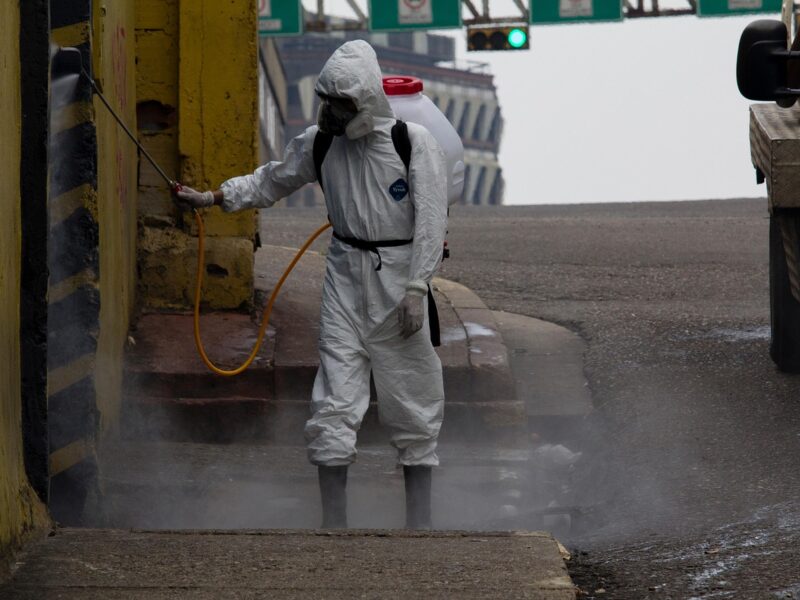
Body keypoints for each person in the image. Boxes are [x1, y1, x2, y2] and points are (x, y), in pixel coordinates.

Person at [175, 40, 447, 530]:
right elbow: (271, 180)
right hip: (344, 279)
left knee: (413, 398)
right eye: (328, 101)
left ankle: (420, 526)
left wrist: (417, 287)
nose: (331, 112)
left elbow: (431, 220)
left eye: (342, 103)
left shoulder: (412, 143)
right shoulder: (321, 144)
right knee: (334, 400)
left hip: (399, 279)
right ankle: (333, 526)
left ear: (366, 100)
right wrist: (213, 198)